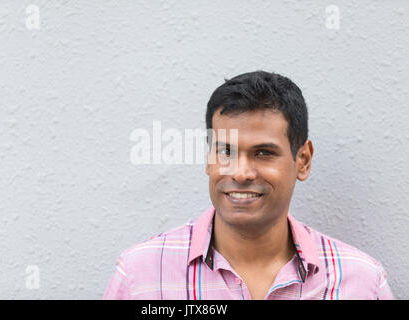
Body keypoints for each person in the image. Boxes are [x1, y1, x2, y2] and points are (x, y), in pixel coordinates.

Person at [103, 70, 394, 300]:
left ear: (302, 160)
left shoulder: (362, 283)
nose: (241, 173)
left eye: (263, 153)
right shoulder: (141, 276)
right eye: (225, 152)